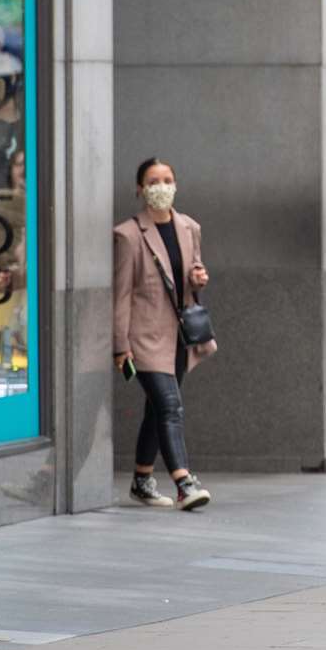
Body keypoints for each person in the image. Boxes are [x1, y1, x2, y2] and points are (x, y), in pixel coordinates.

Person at [112, 158, 216, 511]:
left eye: (167, 179)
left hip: (179, 335)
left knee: (156, 410)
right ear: (140, 189)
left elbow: (191, 273)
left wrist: (198, 278)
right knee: (170, 406)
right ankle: (184, 482)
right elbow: (121, 294)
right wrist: (120, 346)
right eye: (153, 181)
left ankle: (142, 480)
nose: (162, 187)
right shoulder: (127, 235)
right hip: (144, 337)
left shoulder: (190, 227)